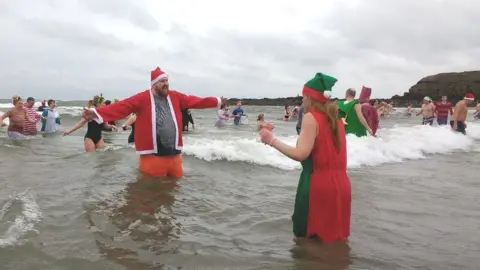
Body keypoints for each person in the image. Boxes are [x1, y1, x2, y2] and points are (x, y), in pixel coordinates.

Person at [81, 66, 227, 177]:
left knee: (173, 197)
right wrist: (95, 112)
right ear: (154, 84)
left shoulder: (175, 96)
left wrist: (217, 101)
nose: (166, 84)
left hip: (174, 156)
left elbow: (195, 101)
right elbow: (122, 107)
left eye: (167, 80)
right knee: (149, 198)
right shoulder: (143, 98)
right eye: (162, 81)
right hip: (152, 158)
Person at [259, 73, 350, 243]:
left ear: (309, 97)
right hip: (341, 184)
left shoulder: (311, 117)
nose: (303, 101)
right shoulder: (337, 118)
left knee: (308, 240)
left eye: (303, 96)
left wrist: (271, 139)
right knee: (335, 240)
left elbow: (301, 154)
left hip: (317, 184)